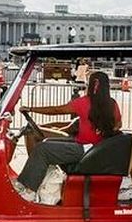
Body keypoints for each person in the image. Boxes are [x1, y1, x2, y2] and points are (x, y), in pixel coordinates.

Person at [14, 71, 122, 202]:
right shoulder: (112, 104)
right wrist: (104, 130)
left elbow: (57, 110)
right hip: (96, 148)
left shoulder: (84, 102)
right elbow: (118, 125)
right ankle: (27, 181)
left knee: (42, 149)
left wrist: (31, 109)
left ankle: (30, 190)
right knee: (47, 141)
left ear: (90, 85)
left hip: (85, 149)